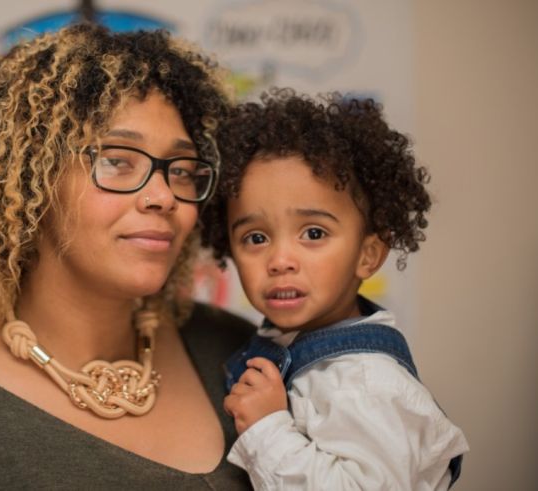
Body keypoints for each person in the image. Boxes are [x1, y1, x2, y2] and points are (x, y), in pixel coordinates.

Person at [0, 24, 256, 489]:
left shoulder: (235, 351)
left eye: (181, 170)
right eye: (118, 161)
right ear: (29, 183)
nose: (164, 196)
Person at [201, 89, 469, 490]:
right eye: (256, 238)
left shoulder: (367, 384)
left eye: (313, 232)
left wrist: (267, 429)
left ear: (368, 254)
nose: (279, 259)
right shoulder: (281, 343)